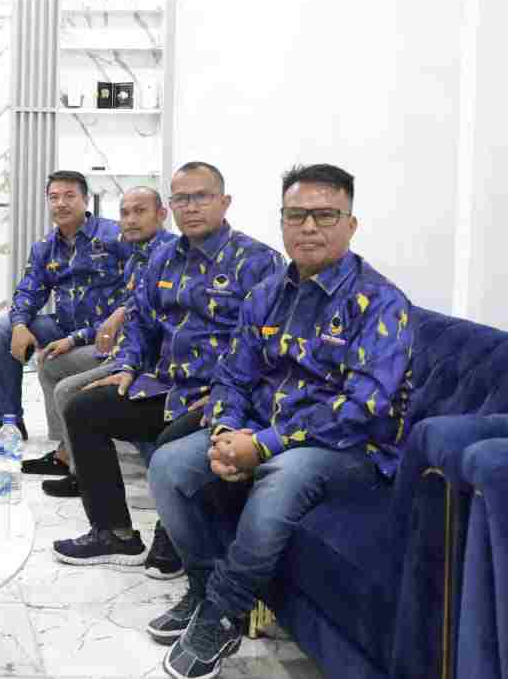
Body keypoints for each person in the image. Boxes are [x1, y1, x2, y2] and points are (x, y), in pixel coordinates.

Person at [148, 164, 412, 679]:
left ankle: (223, 611)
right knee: (169, 465)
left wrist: (264, 445)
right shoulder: (266, 294)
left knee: (283, 474)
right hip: (262, 432)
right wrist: (226, 431)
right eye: (296, 215)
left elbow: (363, 407)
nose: (309, 227)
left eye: (325, 215)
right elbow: (232, 377)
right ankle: (202, 589)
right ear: (283, 221)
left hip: (351, 450)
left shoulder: (381, 303)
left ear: (351, 224)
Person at [51, 162, 284, 576]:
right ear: (171, 206)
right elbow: (140, 321)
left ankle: (173, 536)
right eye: (182, 199)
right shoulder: (163, 257)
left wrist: (231, 393)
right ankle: (114, 533)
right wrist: (127, 365)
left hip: (220, 397)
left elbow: (270, 344)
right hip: (167, 386)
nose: (190, 207)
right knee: (83, 408)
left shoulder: (258, 262)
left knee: (172, 441)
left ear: (224, 202)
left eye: (201, 197)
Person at [28, 186, 175, 487]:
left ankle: (84, 478)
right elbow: (119, 316)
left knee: (67, 391)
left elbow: (141, 320)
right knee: (50, 362)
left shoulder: (170, 256)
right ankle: (67, 453)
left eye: (140, 211)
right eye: (125, 213)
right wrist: (74, 339)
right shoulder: (135, 257)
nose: (130, 220)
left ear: (161, 214)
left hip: (149, 361)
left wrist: (120, 322)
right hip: (122, 349)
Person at [0, 170, 129, 443]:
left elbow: (137, 292)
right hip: (64, 325)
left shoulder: (115, 235)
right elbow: (28, 290)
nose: (61, 203)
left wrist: (80, 336)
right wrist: (20, 325)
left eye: (69, 196)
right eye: (54, 197)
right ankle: (7, 420)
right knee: (4, 328)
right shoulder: (45, 247)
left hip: (107, 330)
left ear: (85, 200)